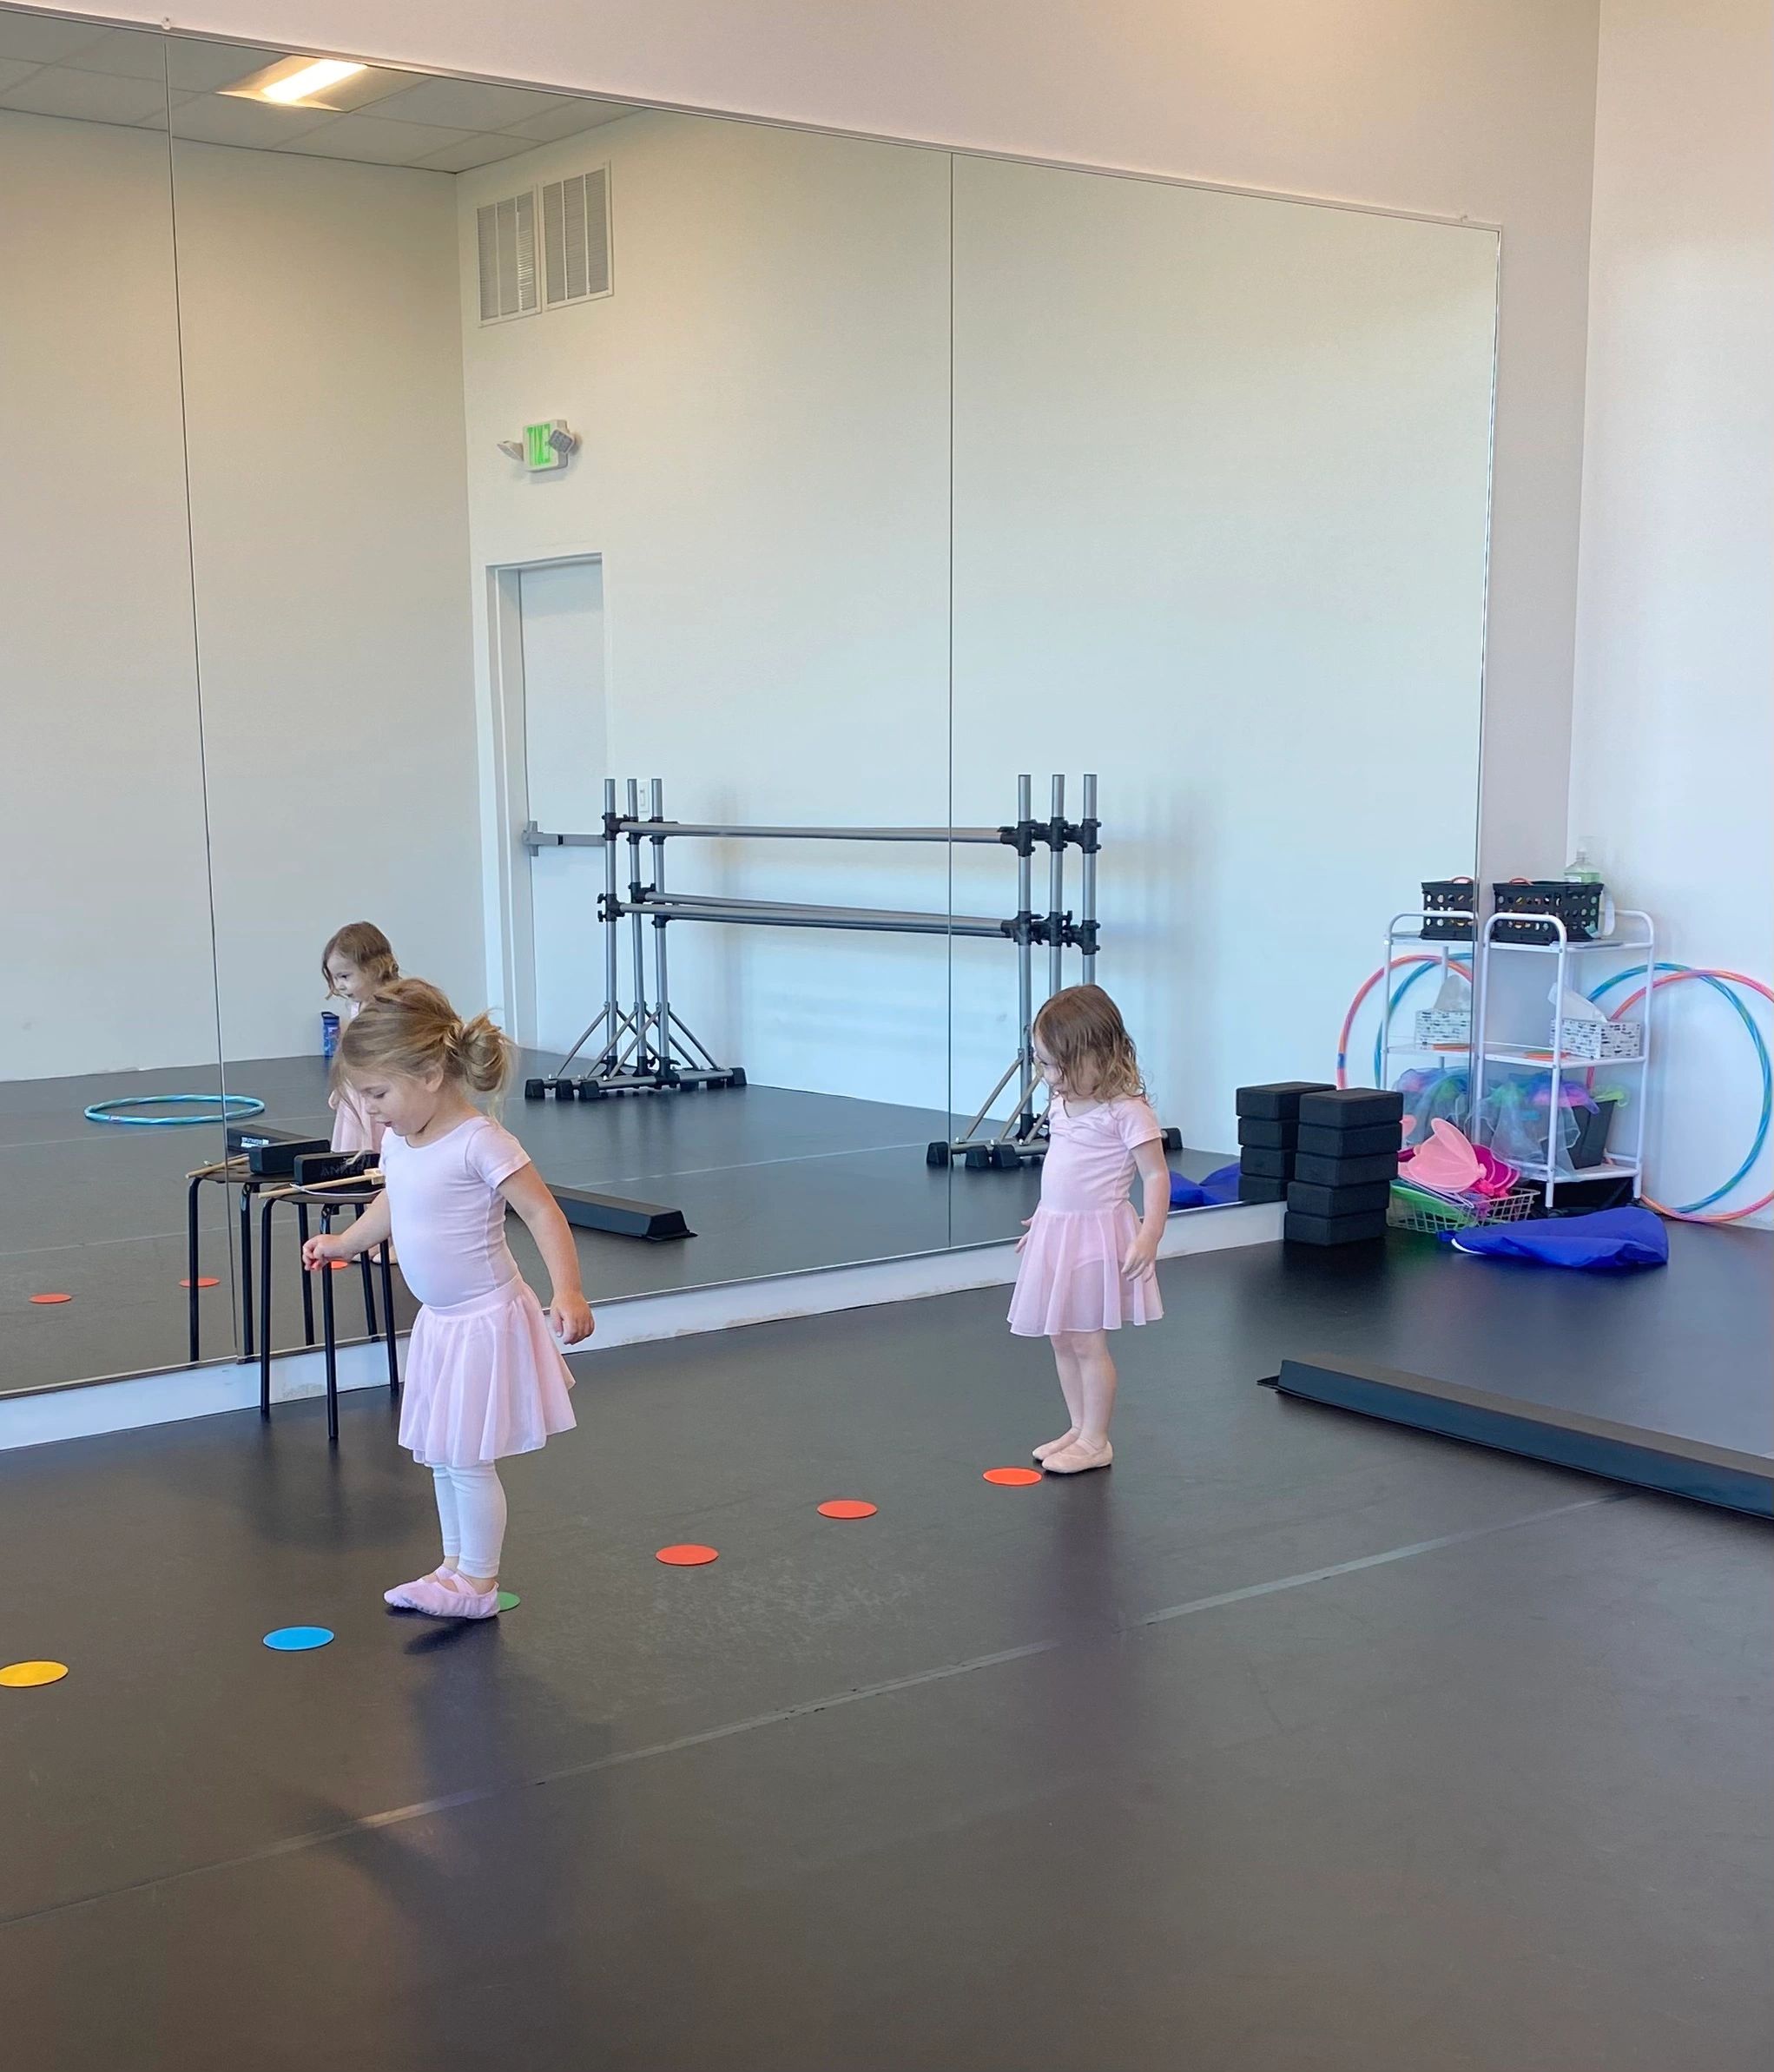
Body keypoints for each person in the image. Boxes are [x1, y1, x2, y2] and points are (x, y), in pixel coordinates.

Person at [303, 979, 593, 1618]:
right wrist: (345, 1242)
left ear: (431, 1072)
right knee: (441, 1455)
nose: (372, 1112)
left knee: (465, 1458)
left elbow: (543, 1214)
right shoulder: (405, 1142)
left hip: (484, 1322)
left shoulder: (479, 1141)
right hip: (442, 1325)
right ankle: (454, 1569)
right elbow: (393, 1202)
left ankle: (480, 1584)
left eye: (378, 1094)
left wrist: (566, 1290)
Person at [1006, 984, 1169, 1475]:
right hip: (1059, 1231)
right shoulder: (1061, 1103)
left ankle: (1097, 1439)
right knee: (1061, 1337)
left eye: (1056, 1065)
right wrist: (1044, 1214)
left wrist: (1150, 1235)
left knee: (1087, 1340)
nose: (1047, 1076)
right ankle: (1078, 1427)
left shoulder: (1127, 1112)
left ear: (1099, 1056)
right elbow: (1063, 1167)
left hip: (1098, 1237)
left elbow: (1157, 1176)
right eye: (1042, 1063)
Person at [320, 922, 400, 1157]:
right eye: (335, 979)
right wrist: (341, 1085)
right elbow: (350, 1051)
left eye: (344, 976)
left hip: (382, 1089)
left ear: (374, 967)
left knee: (382, 1143)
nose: (339, 986)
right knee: (355, 1143)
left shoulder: (393, 1005)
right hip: (358, 1090)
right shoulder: (358, 1007)